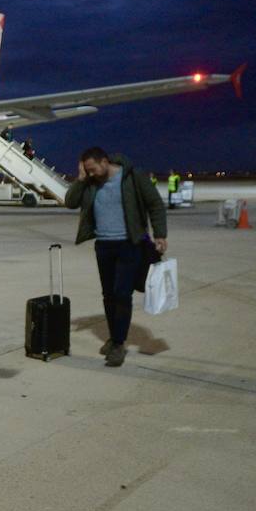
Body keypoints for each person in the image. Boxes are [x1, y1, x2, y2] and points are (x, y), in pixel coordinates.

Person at [64, 147, 167, 367]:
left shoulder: (132, 176)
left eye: (93, 170)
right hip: (104, 246)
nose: (91, 174)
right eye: (87, 171)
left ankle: (119, 343)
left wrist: (160, 234)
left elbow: (155, 204)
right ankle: (114, 337)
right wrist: (81, 179)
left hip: (129, 244)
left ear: (104, 161)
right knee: (108, 295)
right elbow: (70, 202)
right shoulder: (90, 182)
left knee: (122, 294)